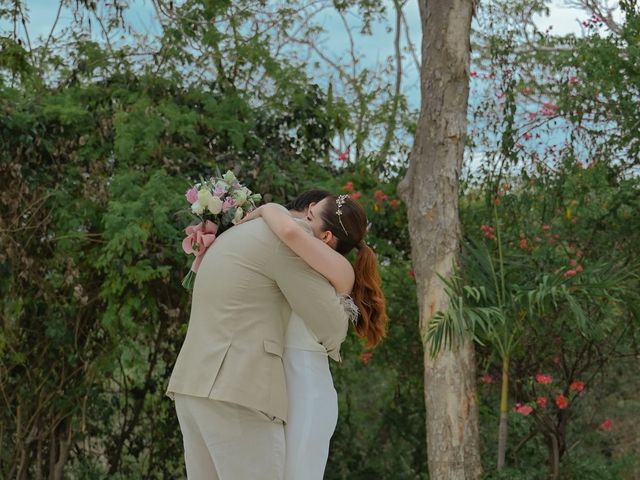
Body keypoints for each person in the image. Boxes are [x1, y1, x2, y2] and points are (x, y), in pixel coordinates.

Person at [166, 189, 352, 480]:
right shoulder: (285, 241)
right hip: (235, 393)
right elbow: (331, 326)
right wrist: (342, 281)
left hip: (192, 387)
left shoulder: (239, 233)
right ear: (324, 235)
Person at [239, 192, 387, 480]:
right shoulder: (302, 265)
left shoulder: (340, 269)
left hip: (307, 393)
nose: (301, 218)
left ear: (326, 237)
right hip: (286, 389)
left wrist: (268, 208)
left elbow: (288, 231)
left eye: (309, 217)